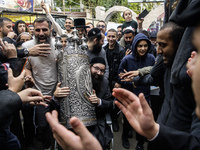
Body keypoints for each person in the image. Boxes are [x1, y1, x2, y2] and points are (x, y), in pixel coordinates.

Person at [23, 17, 58, 149]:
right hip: (40, 95)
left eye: (44, 29)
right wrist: (28, 77)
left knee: (58, 125)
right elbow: (27, 68)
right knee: (42, 126)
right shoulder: (27, 47)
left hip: (58, 94)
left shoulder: (58, 45)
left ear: (50, 30)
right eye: (37, 30)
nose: (41, 33)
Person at [118, 33, 155, 149]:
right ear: (135, 46)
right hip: (129, 95)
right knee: (128, 119)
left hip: (145, 96)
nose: (143, 49)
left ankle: (140, 143)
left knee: (143, 121)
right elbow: (120, 77)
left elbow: (153, 76)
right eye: (140, 46)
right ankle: (124, 136)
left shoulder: (151, 58)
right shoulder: (127, 59)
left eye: (145, 46)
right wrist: (131, 82)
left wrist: (138, 80)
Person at [103, 28, 125, 132]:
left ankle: (115, 119)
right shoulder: (104, 49)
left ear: (117, 37)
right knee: (107, 100)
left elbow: (122, 68)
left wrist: (119, 82)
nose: (111, 39)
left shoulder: (121, 51)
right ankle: (108, 118)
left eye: (113, 36)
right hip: (106, 81)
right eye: (109, 36)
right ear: (106, 37)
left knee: (116, 101)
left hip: (116, 82)